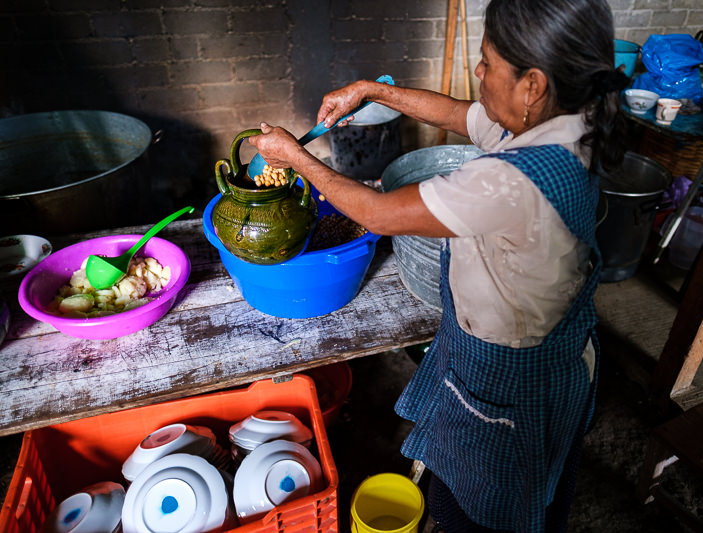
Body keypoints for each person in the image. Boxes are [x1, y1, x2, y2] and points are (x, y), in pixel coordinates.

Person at [248, 0, 627, 530]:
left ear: (533, 85)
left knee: (483, 509)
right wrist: (373, 91)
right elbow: (456, 114)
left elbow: (378, 213)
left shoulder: (512, 179)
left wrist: (295, 157)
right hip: (556, 352)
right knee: (523, 495)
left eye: (488, 62)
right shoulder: (566, 121)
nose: (478, 71)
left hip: (510, 377)